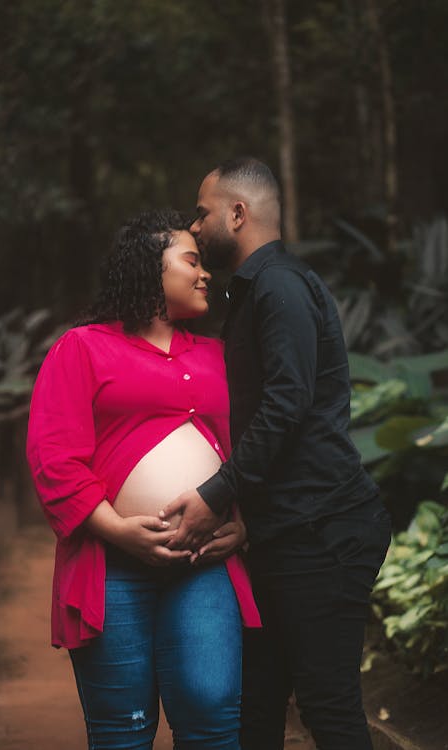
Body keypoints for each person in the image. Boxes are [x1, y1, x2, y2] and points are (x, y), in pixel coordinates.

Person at [160, 158, 392, 750]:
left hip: (324, 532)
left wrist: (216, 496)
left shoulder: (280, 287)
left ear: (238, 215)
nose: (196, 221)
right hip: (284, 534)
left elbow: (287, 406)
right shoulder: (252, 293)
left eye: (203, 211)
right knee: (256, 707)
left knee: (327, 707)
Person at [26, 208, 261, 750]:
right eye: (191, 261)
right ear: (150, 269)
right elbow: (53, 455)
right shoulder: (82, 347)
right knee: (122, 724)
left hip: (206, 562)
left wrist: (241, 523)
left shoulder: (219, 355)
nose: (205, 274)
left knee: (213, 712)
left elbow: (251, 449)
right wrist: (117, 529)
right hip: (111, 564)